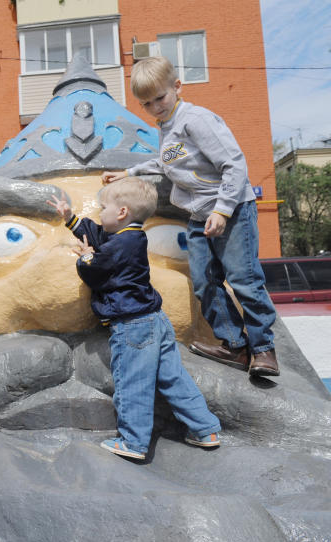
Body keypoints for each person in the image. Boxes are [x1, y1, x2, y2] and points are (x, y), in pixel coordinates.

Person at [102, 56, 278, 377]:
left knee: (243, 279)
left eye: (160, 98)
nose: (155, 107)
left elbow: (234, 165)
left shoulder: (196, 120)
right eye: (146, 103)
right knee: (203, 282)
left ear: (177, 87)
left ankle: (264, 348)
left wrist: (223, 210)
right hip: (199, 215)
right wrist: (127, 172)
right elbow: (166, 163)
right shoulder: (167, 128)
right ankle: (234, 345)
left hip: (232, 209)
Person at [47, 177, 222, 460]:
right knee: (174, 378)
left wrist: (86, 258)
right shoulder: (129, 236)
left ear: (122, 212)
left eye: (103, 207)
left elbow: (97, 268)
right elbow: (97, 235)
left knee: (132, 382)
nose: (98, 213)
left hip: (133, 325)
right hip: (154, 320)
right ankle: (206, 429)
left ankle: (134, 442)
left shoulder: (122, 244)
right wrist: (71, 219)